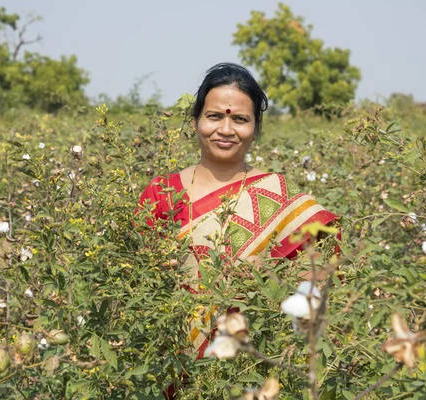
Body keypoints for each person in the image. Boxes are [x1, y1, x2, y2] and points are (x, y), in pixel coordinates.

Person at [137, 62, 338, 397]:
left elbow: (319, 282)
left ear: (256, 129)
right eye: (215, 116)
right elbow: (130, 278)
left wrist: (269, 279)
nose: (226, 129)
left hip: (253, 369)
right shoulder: (162, 193)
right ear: (195, 121)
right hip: (169, 367)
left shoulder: (279, 196)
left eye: (240, 119)